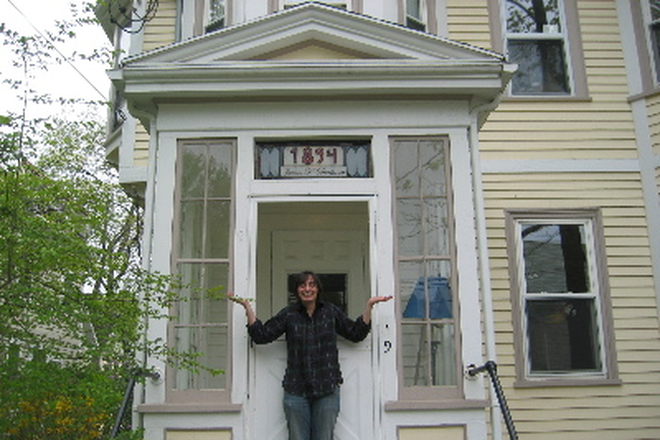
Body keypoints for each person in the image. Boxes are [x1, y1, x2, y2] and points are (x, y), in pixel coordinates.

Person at [228, 270, 392, 440]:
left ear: (318, 289)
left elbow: (356, 333)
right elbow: (262, 335)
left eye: (312, 285)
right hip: (296, 389)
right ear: (297, 290)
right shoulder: (289, 314)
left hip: (327, 388)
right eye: (302, 285)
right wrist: (247, 307)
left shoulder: (330, 311)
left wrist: (369, 306)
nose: (307, 289)